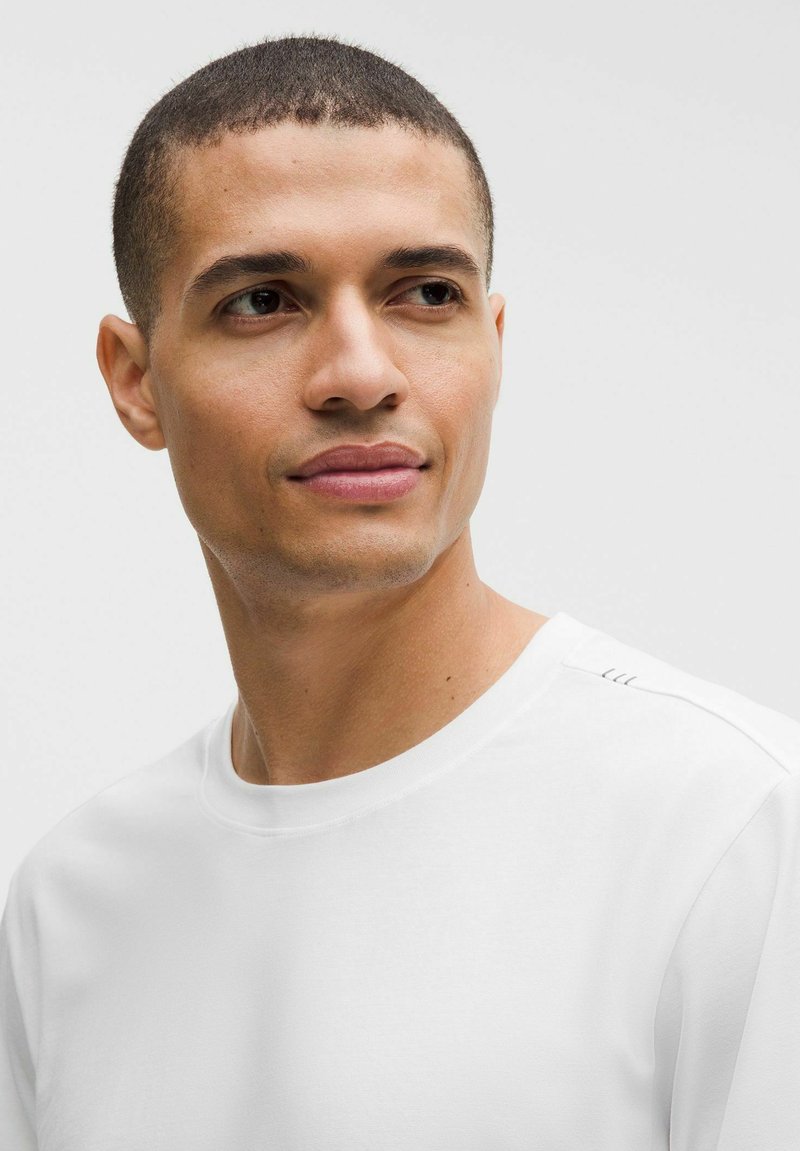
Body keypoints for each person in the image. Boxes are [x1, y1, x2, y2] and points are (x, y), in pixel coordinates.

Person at [1, 34, 798, 1150]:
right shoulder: (73, 903)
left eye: (426, 293)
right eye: (262, 301)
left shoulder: (734, 833)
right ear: (136, 381)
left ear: (493, 344)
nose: (362, 374)